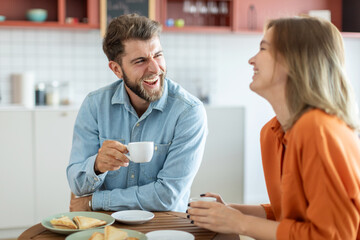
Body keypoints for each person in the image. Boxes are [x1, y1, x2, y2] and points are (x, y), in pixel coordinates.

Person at [188, 16, 360, 239]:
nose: (252, 59)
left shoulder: (317, 130)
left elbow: (331, 236)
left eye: (263, 49)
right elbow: (287, 216)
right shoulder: (273, 132)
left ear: (293, 60)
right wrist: (229, 212)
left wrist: (239, 222)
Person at [67, 14, 208, 212]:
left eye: (158, 55)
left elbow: (167, 196)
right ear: (117, 69)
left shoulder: (188, 112)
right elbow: (76, 184)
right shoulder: (95, 105)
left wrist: (94, 201)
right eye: (140, 60)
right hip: (109, 225)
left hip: (166, 226)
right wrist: (97, 165)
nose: (155, 68)